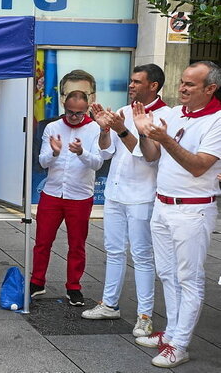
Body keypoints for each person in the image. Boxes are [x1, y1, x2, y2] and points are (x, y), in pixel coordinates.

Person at [131, 61, 221, 368]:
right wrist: (144, 133)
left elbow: (198, 166)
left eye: (191, 85)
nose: (182, 88)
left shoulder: (217, 121)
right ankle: (171, 333)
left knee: (190, 279)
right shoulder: (173, 113)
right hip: (163, 205)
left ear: (210, 88)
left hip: (193, 209)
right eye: (182, 82)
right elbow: (151, 155)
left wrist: (166, 138)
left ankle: (180, 344)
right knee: (167, 274)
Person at [82, 64, 171, 337]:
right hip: (115, 192)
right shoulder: (122, 111)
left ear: (153, 85)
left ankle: (144, 316)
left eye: (136, 81)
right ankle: (109, 303)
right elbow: (107, 152)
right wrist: (105, 129)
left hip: (142, 195)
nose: (131, 85)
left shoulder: (165, 116)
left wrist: (121, 129)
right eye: (130, 81)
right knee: (113, 250)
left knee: (143, 255)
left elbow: (148, 155)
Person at [30, 90, 103, 306]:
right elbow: (42, 162)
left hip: (80, 195)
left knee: (77, 244)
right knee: (42, 241)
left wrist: (81, 152)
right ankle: (37, 281)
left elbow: (98, 163)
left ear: (87, 109)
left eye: (78, 114)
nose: (73, 117)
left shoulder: (95, 128)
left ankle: (74, 286)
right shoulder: (52, 127)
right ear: (64, 106)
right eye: (69, 112)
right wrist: (54, 152)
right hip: (52, 192)